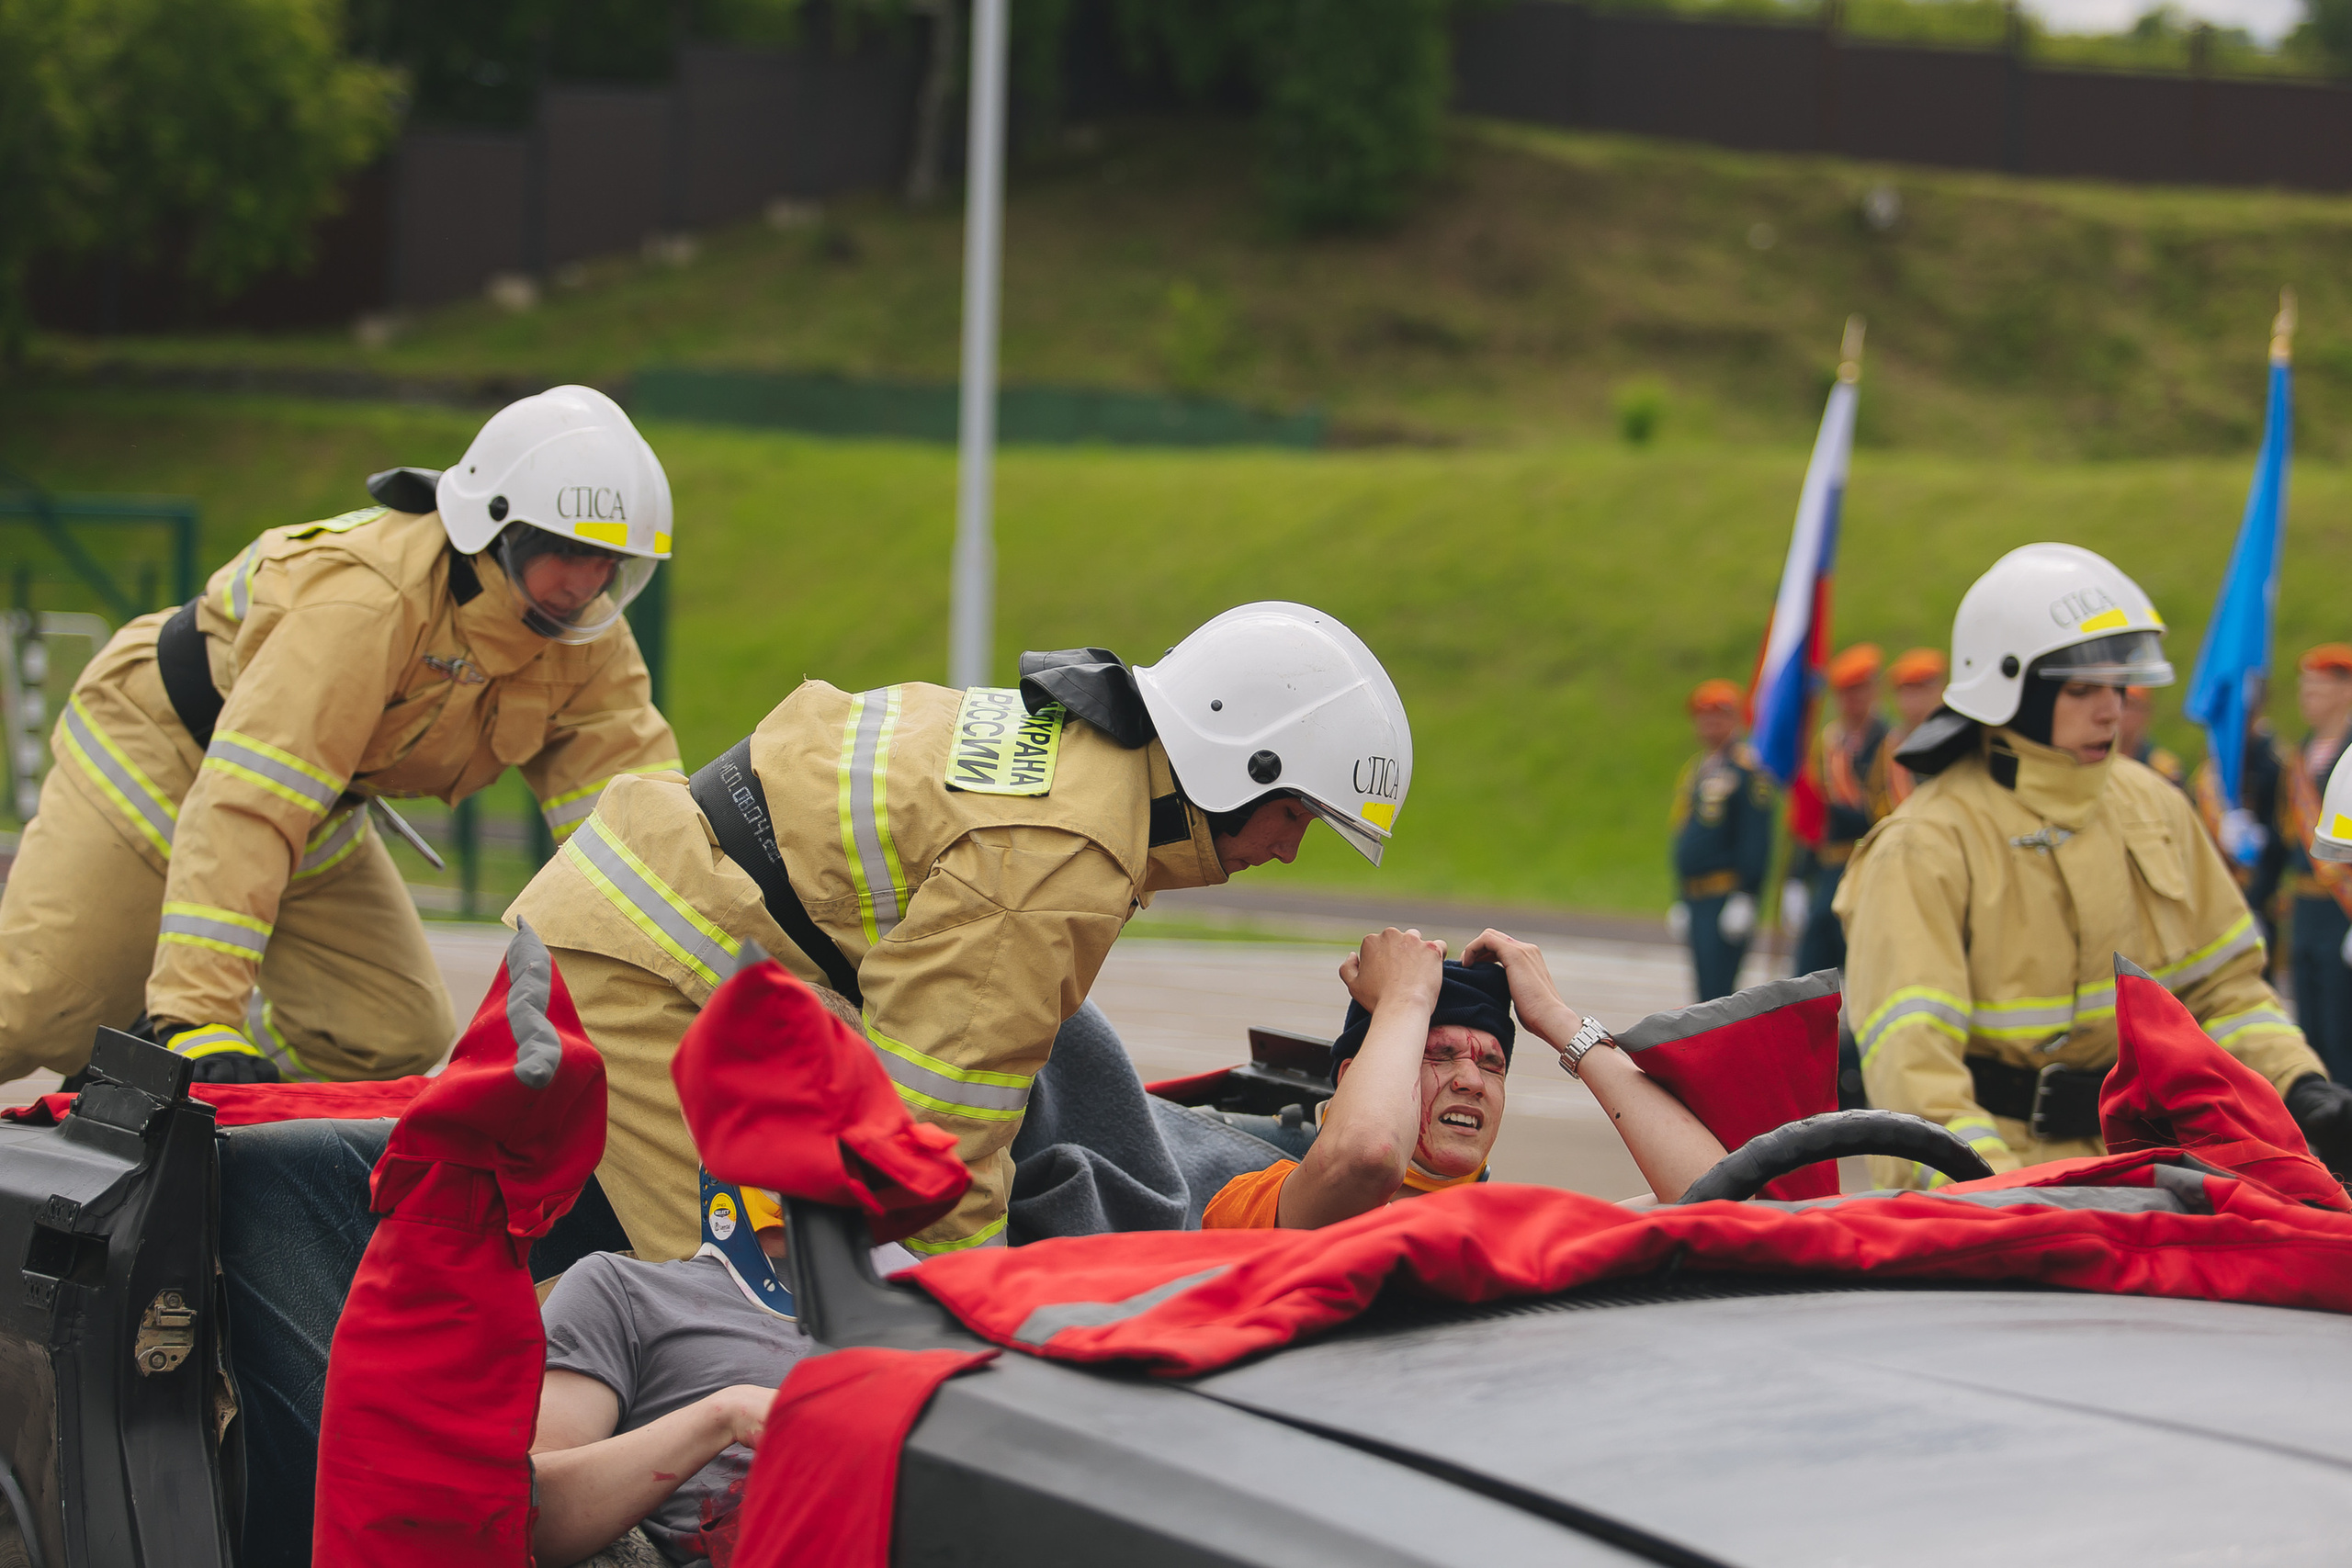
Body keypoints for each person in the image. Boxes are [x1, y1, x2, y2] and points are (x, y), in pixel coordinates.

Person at [510, 603, 1415, 1260]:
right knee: (726, 1333)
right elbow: (939, 1133)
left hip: (660, 939)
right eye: (1293, 816)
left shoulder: (1083, 755)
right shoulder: (1064, 857)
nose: (1289, 852)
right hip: (647, 974)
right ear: (1237, 770)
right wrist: (993, 1311)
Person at [0, 386, 678, 1087]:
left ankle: (144, 1083)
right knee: (40, 1010)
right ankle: (162, 1053)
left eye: (609, 562)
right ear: (496, 531)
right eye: (568, 552)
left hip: (313, 800)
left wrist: (689, 989)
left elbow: (639, 829)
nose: (587, 582)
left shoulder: (585, 637)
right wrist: (195, 1019)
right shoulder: (368, 599)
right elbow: (252, 799)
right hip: (162, 749)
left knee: (383, 1035)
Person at [1836, 542, 2352, 1188]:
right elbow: (1914, 1073)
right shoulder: (1925, 844)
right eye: (2081, 689)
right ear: (2010, 690)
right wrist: (2003, 1200)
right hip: (1993, 1187)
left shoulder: (2155, 808)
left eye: (2116, 686)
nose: (2111, 709)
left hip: (2148, 1173)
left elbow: (2227, 995)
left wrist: (2300, 1090)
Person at [1203, 928, 1727, 1227]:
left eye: (1492, 1063)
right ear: (1351, 1077)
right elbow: (1364, 1158)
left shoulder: (1521, 1228)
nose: (1472, 1081)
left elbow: (1728, 1202)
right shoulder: (1249, 1205)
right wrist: (1406, 1000)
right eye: (1438, 1055)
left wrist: (1559, 1021)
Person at [1668, 680, 1774, 1002]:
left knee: (1718, 995)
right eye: (1703, 717)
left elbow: (1756, 835)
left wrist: (1747, 894)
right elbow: (1686, 833)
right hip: (1697, 897)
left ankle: (1723, 1054)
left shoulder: (1746, 769)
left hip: (1723, 894)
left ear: (1734, 719)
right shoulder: (1700, 768)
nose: (1709, 724)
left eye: (1718, 716)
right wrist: (1681, 896)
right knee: (1702, 993)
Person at [1792, 643, 1891, 978]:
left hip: (1870, 864)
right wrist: (1797, 875)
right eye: (1846, 693)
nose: (1853, 701)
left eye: (1860, 691)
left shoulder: (1889, 742)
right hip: (1829, 867)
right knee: (1810, 967)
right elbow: (1811, 815)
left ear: (1874, 690)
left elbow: (1884, 809)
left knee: (1864, 966)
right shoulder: (1829, 742)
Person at [2280, 644, 2352, 1083]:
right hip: (2305, 912)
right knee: (2310, 1033)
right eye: (2305, 685)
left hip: (2342, 908)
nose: (2308, 695)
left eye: (2320, 686)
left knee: (2342, 1031)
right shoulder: (2299, 755)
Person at [1880, 646, 1947, 808]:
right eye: (1908, 693)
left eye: (1922, 691)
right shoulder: (1892, 744)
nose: (1915, 702)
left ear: (1940, 690)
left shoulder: (1954, 740)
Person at [2118, 685, 2186, 790]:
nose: (2120, 713)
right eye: (2119, 705)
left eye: (2129, 705)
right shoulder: (2092, 759)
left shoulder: (2164, 768)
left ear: (2146, 712)